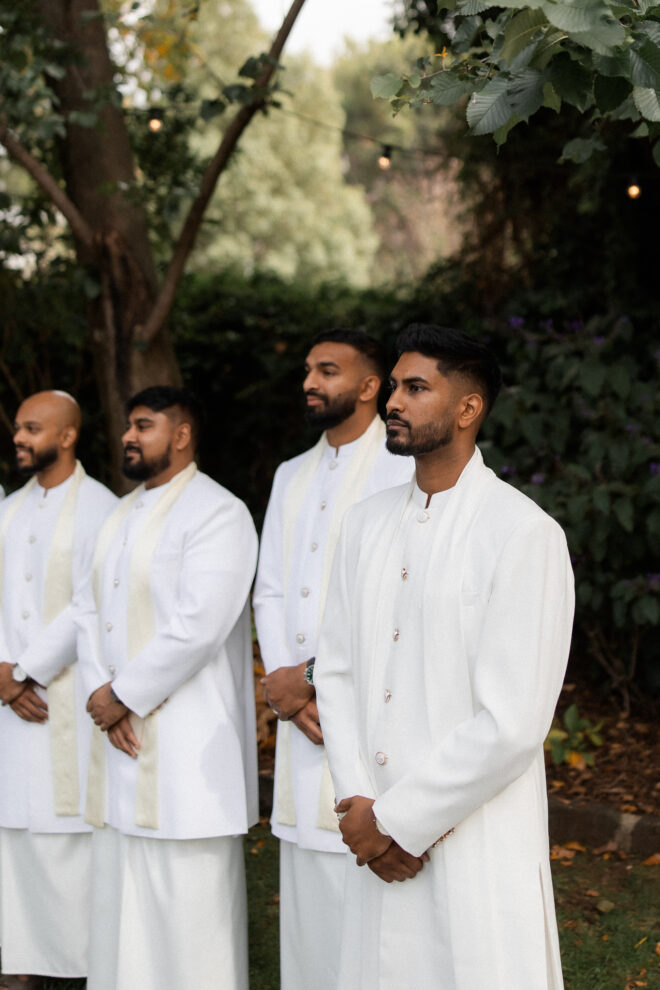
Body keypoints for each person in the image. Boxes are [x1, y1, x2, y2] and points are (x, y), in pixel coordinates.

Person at [315, 324, 575, 990]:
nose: (393, 402)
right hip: (373, 827)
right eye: (393, 387)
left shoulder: (523, 533)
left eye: (415, 388)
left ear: (468, 408)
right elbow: (337, 671)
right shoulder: (364, 524)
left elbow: (513, 722)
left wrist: (400, 821)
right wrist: (357, 803)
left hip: (474, 837)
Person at [76, 386, 258, 990]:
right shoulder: (117, 515)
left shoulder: (219, 512)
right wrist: (102, 694)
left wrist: (122, 695)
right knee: (119, 899)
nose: (128, 436)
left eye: (143, 425)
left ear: (181, 435)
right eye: (128, 425)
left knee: (188, 910)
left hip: (188, 744)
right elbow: (85, 609)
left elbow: (200, 624)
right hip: (116, 732)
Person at [253, 329, 412, 990]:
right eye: (308, 370)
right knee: (307, 884)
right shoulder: (291, 473)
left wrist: (313, 679)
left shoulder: (402, 469)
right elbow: (270, 588)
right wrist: (282, 684)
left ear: (370, 386)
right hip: (300, 717)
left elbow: (396, 599)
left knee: (368, 894)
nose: (309, 383)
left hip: (370, 706)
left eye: (327, 370)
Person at [0, 390, 116, 989]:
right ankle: (19, 967)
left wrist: (24, 672)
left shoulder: (101, 508)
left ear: (67, 436)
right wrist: (2, 672)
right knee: (14, 836)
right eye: (19, 428)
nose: (19, 438)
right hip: (6, 701)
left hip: (64, 698)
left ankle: (78, 968)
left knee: (67, 835)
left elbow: (89, 602)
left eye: (32, 428)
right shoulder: (8, 509)